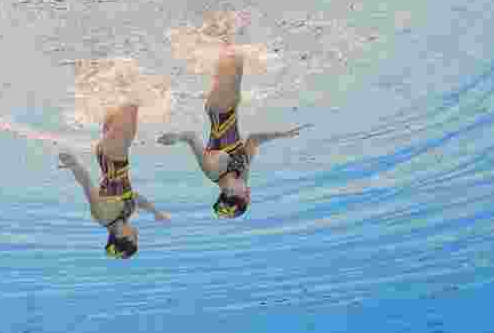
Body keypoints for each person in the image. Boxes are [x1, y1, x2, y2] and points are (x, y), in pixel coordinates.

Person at [158, 50, 308, 218]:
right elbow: (253, 141)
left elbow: (191, 137)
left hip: (219, 109)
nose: (249, 192)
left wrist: (176, 137)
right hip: (232, 104)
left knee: (231, 51)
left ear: (229, 193)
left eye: (245, 196)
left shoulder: (212, 170)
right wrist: (282, 135)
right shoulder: (242, 176)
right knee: (233, 53)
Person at [58, 103, 169, 258]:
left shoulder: (103, 216)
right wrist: (155, 212)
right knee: (115, 101)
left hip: (112, 153)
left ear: (122, 238)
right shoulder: (125, 215)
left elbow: (87, 185)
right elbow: (135, 198)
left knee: (131, 101)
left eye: (135, 239)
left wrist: (73, 165)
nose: (137, 235)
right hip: (116, 154)